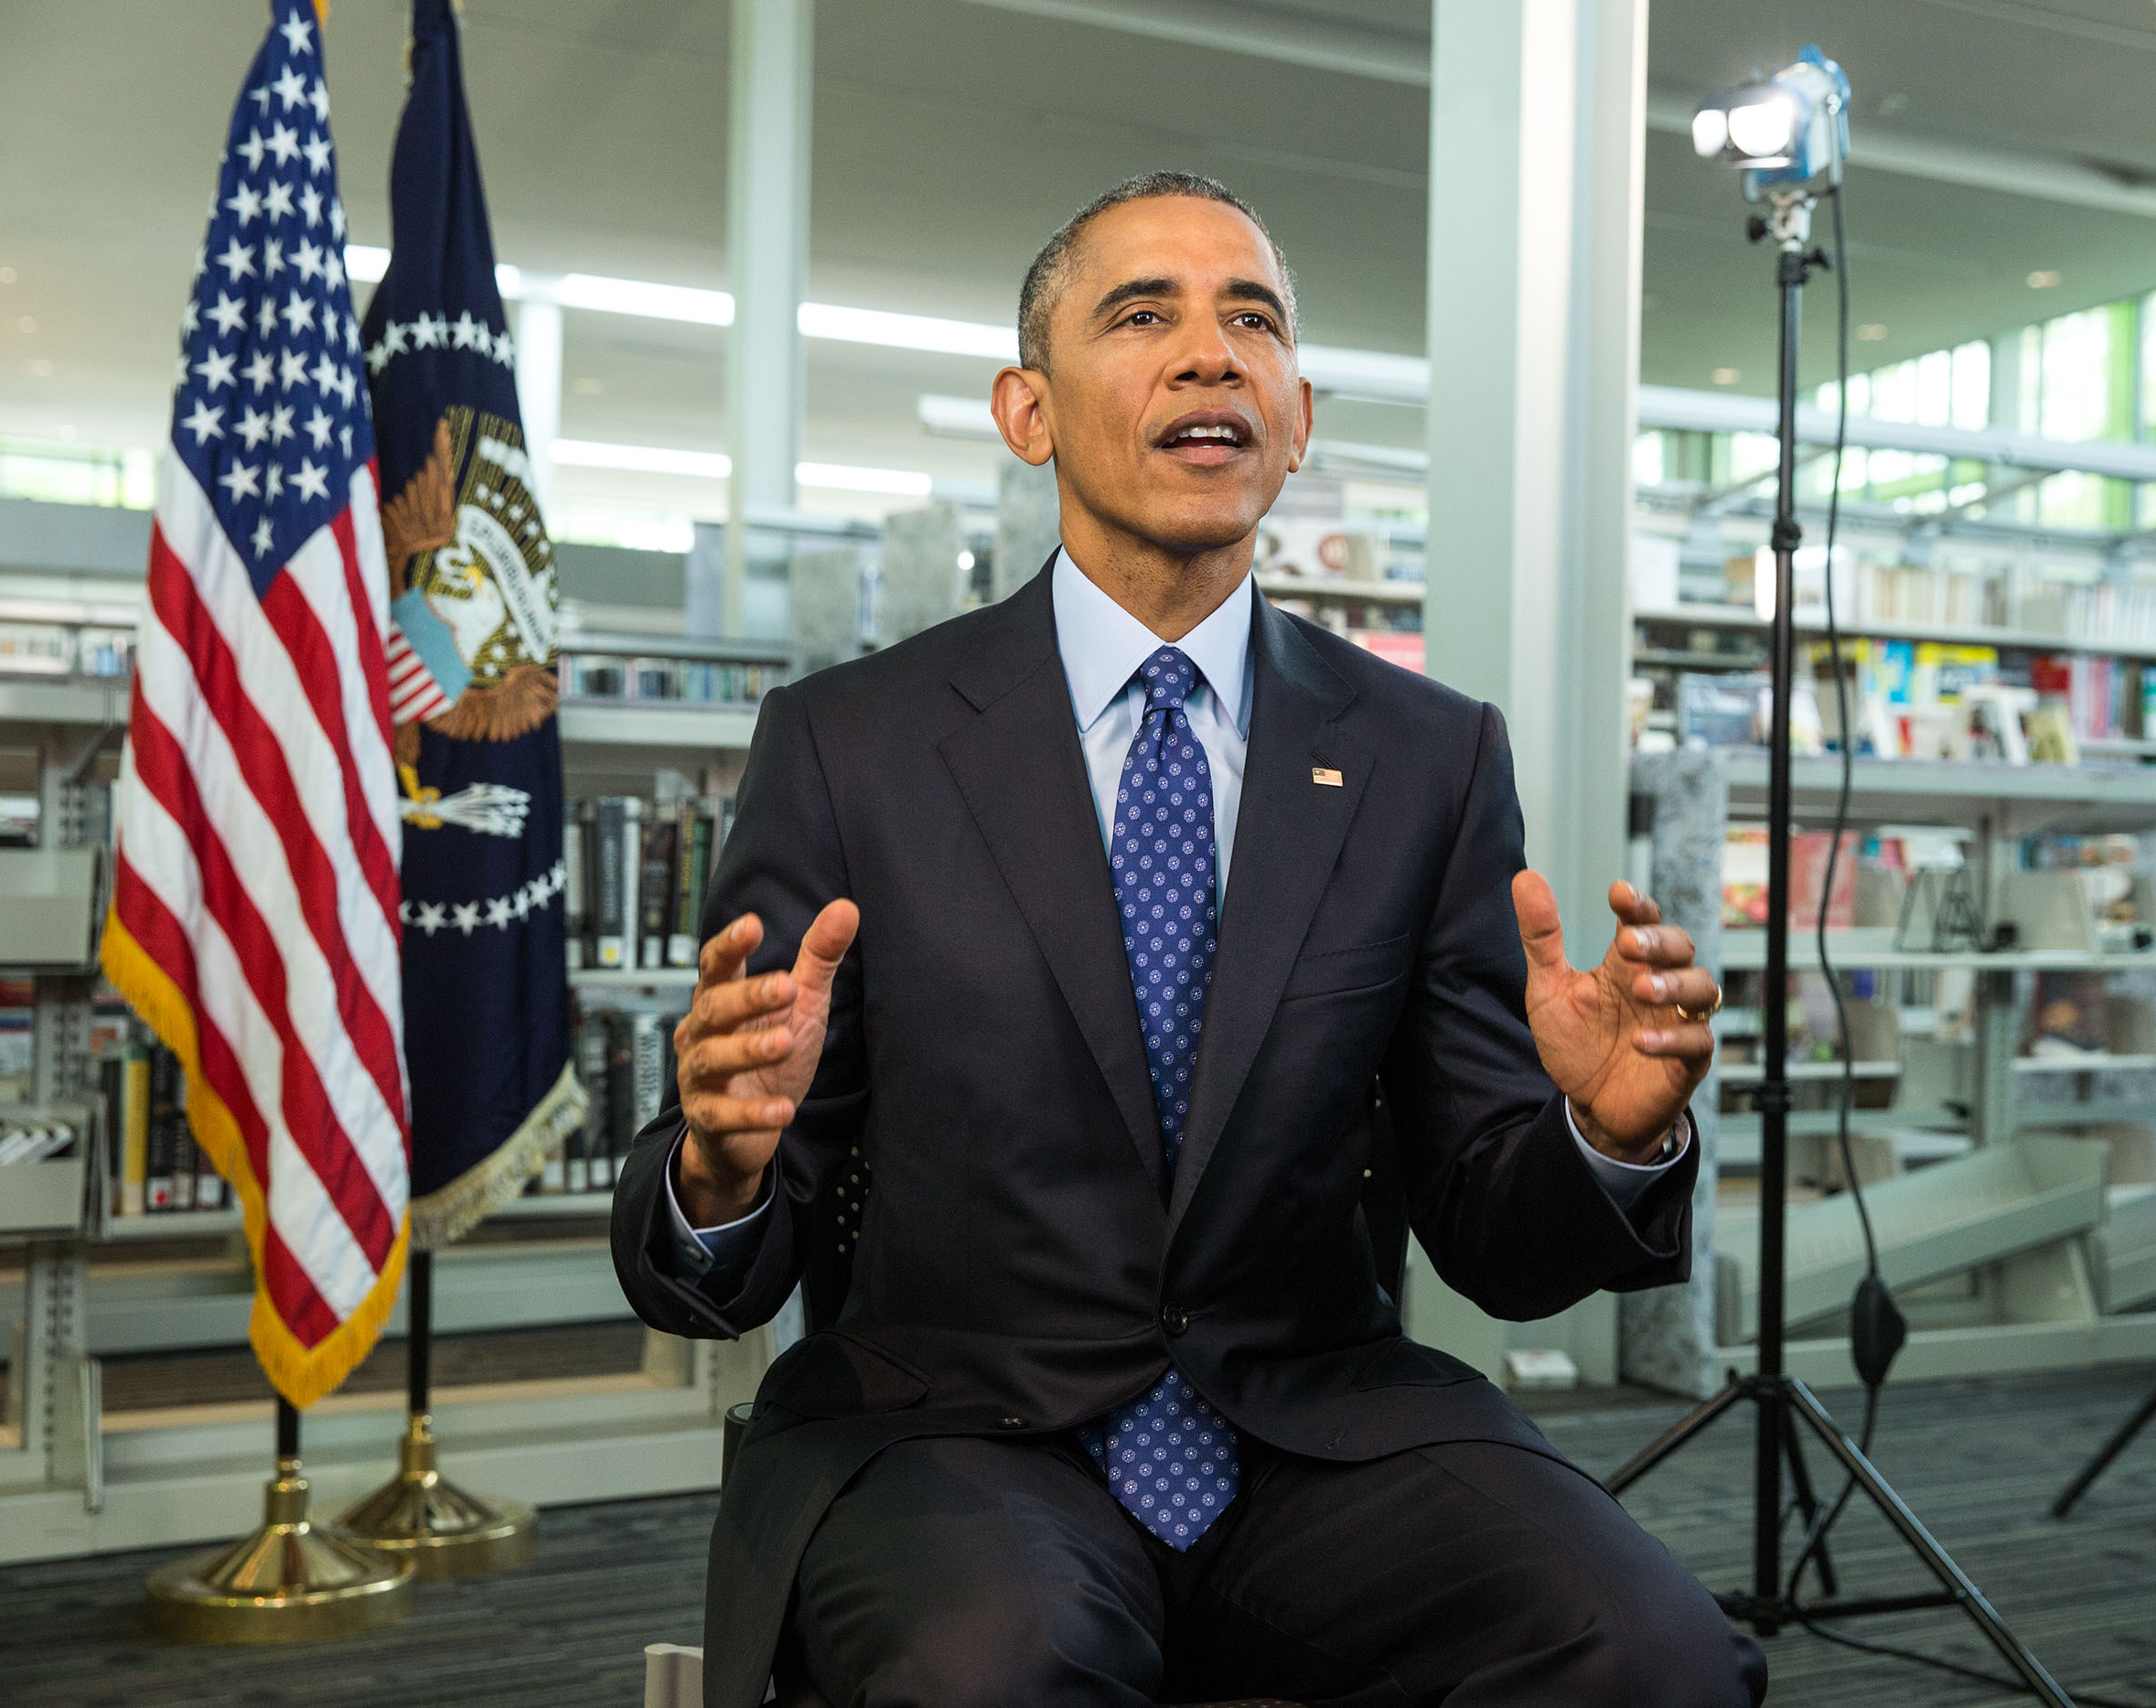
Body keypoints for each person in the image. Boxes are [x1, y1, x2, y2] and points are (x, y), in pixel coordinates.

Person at [611, 170, 1765, 1708]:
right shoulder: (848, 746)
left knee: (1661, 1656)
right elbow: (721, 1264)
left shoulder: (1426, 757)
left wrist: (1603, 1139)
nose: (1212, 354)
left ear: (1298, 418)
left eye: (1254, 322)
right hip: (958, 1430)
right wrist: (719, 1168)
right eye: (1143, 314)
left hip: (1318, 1430)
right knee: (992, 1672)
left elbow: (1495, 1235)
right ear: (1029, 412)